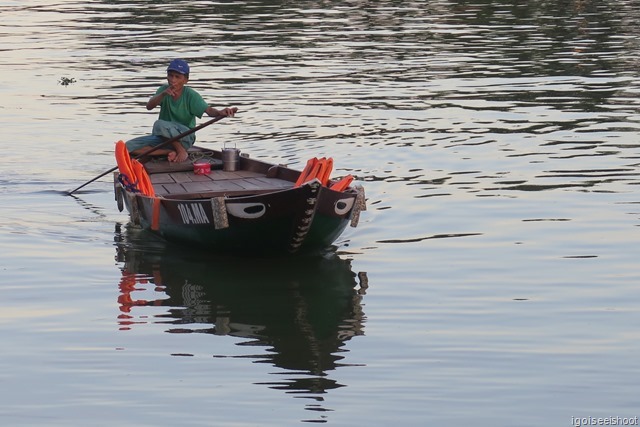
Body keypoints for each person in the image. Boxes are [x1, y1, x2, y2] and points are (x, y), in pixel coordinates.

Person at [125, 58, 237, 163]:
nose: (173, 80)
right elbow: (149, 106)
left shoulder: (190, 95)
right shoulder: (163, 90)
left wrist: (220, 112)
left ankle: (180, 150)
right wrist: (163, 94)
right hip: (164, 138)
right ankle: (169, 152)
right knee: (127, 147)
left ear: (185, 80)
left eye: (177, 77)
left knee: (159, 124)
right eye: (170, 76)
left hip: (185, 137)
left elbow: (208, 110)